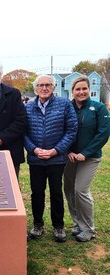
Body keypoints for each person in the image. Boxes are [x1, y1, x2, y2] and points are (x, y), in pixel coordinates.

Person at [25, 74, 78, 243]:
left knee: (56, 193)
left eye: (48, 84)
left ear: (54, 87)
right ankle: (38, 224)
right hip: (36, 159)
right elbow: (23, 132)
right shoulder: (28, 107)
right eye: (41, 85)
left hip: (56, 159)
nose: (44, 88)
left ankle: (58, 226)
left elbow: (71, 130)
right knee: (37, 193)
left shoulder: (64, 105)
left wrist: (56, 150)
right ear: (35, 88)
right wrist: (34, 149)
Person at [64, 75, 110, 242]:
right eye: (78, 89)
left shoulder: (99, 108)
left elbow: (103, 134)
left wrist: (86, 152)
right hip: (70, 157)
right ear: (72, 91)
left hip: (89, 158)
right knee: (69, 190)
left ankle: (88, 229)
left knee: (80, 190)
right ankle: (78, 224)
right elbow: (62, 130)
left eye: (84, 88)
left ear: (89, 90)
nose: (81, 92)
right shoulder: (68, 107)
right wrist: (68, 150)